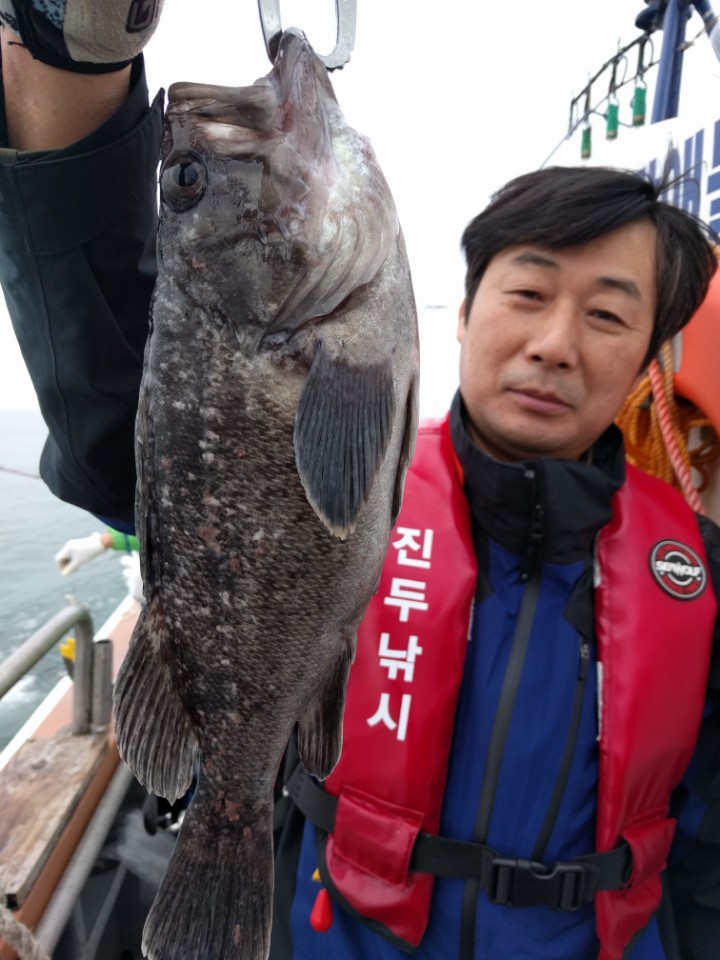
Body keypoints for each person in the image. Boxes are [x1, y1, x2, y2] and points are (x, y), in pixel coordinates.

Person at [0, 5, 718, 959]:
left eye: (608, 315)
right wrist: (67, 51)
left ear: (651, 354)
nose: (555, 343)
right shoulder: (372, 455)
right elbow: (111, 426)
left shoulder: (703, 578)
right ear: (462, 311)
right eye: (530, 292)